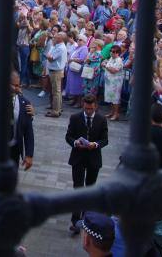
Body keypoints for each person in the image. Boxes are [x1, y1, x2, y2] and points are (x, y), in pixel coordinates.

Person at [66, 95, 109, 232]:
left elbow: (105, 140)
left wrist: (95, 144)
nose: (88, 111)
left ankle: (86, 218)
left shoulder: (102, 119)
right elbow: (68, 136)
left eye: (90, 109)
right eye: (86, 108)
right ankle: (75, 221)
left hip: (93, 158)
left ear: (95, 106)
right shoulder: (75, 117)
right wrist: (75, 143)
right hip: (78, 157)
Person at [45, 32, 67, 117]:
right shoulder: (57, 46)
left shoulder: (60, 48)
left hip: (56, 71)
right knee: (57, 91)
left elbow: (50, 58)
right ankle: (58, 108)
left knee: (56, 92)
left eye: (56, 37)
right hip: (55, 70)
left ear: (60, 38)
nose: (54, 38)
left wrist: (48, 55)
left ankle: (56, 111)